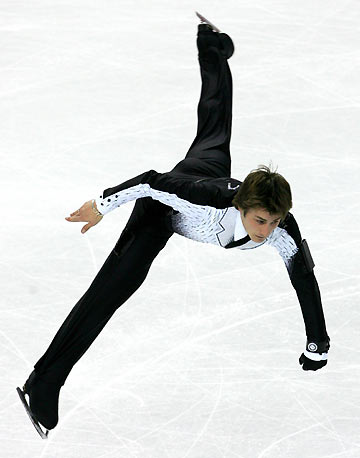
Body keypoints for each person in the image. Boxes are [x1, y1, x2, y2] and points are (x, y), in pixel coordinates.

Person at [17, 16, 330, 438]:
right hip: (160, 211)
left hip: (207, 169)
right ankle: (44, 382)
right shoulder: (201, 200)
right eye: (261, 220)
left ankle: (213, 42)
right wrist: (99, 205)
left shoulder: (279, 225)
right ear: (241, 205)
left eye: (274, 221)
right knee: (109, 293)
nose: (267, 230)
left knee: (216, 118)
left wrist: (317, 344)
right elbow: (148, 180)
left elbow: (305, 281)